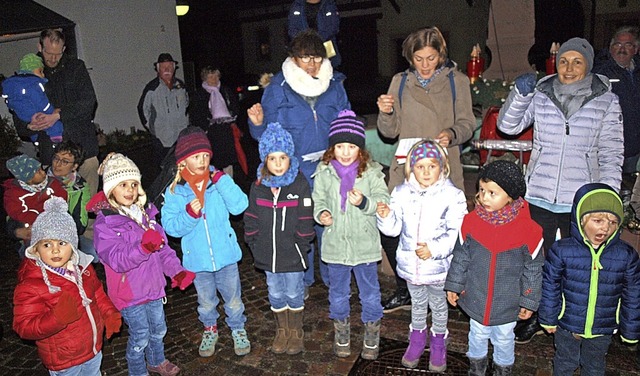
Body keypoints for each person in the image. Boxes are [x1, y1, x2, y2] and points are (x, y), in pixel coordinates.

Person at [498, 37, 623, 343]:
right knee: (532, 261)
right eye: (563, 61)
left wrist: (605, 200)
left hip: (579, 198)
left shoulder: (606, 100)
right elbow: (508, 126)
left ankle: (567, 318)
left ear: (588, 65)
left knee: (574, 265)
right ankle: (532, 314)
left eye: (577, 62)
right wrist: (519, 94)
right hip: (539, 191)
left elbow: (611, 152)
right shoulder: (542, 93)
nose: (568, 68)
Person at [376, 26, 475, 313]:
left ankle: (449, 288)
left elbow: (468, 122)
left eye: (431, 58)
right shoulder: (400, 82)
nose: (425, 65)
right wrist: (386, 112)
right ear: (410, 57)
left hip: (442, 167)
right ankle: (404, 287)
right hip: (407, 168)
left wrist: (452, 133)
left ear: (440, 54)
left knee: (446, 229)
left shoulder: (457, 81)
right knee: (395, 230)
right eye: (419, 59)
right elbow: (389, 131)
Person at [247, 29, 350, 293]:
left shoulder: (335, 84)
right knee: (297, 224)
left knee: (329, 223)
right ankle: (301, 278)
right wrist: (257, 125)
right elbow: (268, 138)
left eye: (317, 58)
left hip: (330, 167)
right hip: (295, 171)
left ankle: (333, 278)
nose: (312, 64)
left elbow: (346, 122)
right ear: (294, 59)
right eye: (306, 58)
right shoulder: (278, 89)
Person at [88, 152, 193, 376]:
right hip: (130, 293)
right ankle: (138, 371)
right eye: (123, 184)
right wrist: (142, 248)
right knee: (140, 335)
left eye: (134, 184)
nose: (130, 190)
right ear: (110, 189)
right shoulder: (106, 223)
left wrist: (177, 272)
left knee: (159, 329)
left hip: (154, 288)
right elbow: (115, 259)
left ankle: (157, 361)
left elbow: (163, 249)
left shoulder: (147, 216)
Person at [445, 160, 544, 376]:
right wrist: (454, 285)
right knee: (477, 334)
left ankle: (502, 370)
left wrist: (529, 299)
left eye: (492, 192)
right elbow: (461, 256)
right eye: (482, 190)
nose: (484, 197)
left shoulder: (529, 230)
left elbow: (533, 270)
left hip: (508, 302)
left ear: (510, 196)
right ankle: (476, 369)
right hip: (476, 296)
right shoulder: (471, 222)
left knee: (504, 338)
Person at [377, 139, 467, 371]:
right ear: (411, 168)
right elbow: (393, 229)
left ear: (442, 166)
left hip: (438, 267)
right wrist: (386, 216)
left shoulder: (452, 195)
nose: (426, 172)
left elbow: (457, 231)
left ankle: (438, 342)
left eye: (432, 166)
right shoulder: (401, 192)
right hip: (411, 264)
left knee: (438, 305)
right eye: (420, 166)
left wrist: (434, 249)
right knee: (417, 304)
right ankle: (416, 340)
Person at [161, 127, 251, 358]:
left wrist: (221, 180)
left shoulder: (218, 182)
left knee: (233, 299)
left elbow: (240, 205)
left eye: (205, 155)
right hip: (198, 261)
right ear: (182, 161)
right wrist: (189, 215)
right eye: (195, 157)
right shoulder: (176, 191)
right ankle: (210, 328)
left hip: (226, 257)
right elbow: (171, 227)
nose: (202, 161)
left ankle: (238, 328)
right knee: (206, 302)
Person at [538, 183, 640, 376]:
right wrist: (549, 317)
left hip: (603, 327)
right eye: (598, 220)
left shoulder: (626, 255)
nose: (605, 228)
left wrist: (630, 329)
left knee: (594, 366)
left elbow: (632, 295)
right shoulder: (562, 250)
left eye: (612, 222)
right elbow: (550, 286)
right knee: (565, 362)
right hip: (567, 324)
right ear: (581, 220)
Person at [13, 197, 121, 375]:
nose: (55, 250)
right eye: (47, 244)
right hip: (65, 361)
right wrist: (56, 319)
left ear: (72, 246)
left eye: (62, 243)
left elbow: (98, 295)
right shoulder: (31, 285)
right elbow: (24, 326)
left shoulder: (84, 270)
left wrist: (110, 314)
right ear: (36, 249)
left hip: (93, 350)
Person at [312, 110, 389, 360]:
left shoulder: (372, 172)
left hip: (364, 245)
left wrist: (365, 202)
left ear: (361, 150)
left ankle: (371, 331)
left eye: (351, 146)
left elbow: (382, 201)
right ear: (332, 148)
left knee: (370, 292)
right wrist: (322, 213)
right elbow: (319, 199)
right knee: (338, 292)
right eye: (340, 146)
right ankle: (342, 330)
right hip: (335, 245)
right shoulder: (323, 172)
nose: (345, 152)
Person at [244, 122, 315, 355]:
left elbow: (306, 219)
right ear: (265, 160)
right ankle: (282, 330)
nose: (277, 164)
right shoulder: (258, 186)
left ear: (289, 158)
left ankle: (296, 330)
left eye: (282, 158)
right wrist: (254, 243)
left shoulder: (300, 184)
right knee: (274, 292)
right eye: (272, 158)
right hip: (267, 254)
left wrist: (301, 245)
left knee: (294, 292)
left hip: (292, 254)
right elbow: (251, 217)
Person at [11, 29, 99, 196]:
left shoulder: (76, 67)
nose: (52, 58)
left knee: (88, 206)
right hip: (51, 155)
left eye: (57, 54)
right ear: (40, 47)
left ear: (64, 49)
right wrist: (29, 125)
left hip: (83, 150)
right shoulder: (30, 72)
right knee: (55, 207)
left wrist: (58, 116)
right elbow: (18, 109)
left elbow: (88, 103)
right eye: (48, 53)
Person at [593, 26, 640, 176]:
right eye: (618, 44)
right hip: (611, 151)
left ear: (636, 49)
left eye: (628, 45)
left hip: (637, 151)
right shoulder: (601, 74)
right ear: (610, 48)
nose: (622, 49)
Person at [3, 154, 67, 258]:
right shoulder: (14, 194)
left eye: (41, 169)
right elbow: (17, 213)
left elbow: (61, 200)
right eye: (38, 172)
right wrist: (38, 223)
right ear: (28, 179)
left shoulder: (52, 184)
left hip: (55, 225)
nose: (43, 172)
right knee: (35, 249)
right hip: (33, 230)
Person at [47, 141, 98, 262]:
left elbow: (81, 222)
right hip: (41, 234)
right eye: (56, 158)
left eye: (65, 161)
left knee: (94, 254)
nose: (58, 164)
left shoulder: (80, 187)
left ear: (74, 166)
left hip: (69, 235)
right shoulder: (41, 180)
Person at [190, 66, 245, 177]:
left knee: (228, 161)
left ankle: (228, 183)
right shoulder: (200, 94)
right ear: (205, 78)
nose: (214, 80)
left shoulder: (225, 91)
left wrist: (232, 117)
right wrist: (205, 127)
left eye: (216, 76)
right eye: (211, 77)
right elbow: (196, 114)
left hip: (226, 131)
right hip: (210, 133)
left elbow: (235, 106)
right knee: (212, 160)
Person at [137, 53, 189, 164]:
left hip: (181, 137)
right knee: (164, 172)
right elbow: (142, 109)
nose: (167, 69)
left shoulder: (181, 86)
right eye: (163, 67)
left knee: (183, 170)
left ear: (174, 68)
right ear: (158, 69)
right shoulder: (152, 88)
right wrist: (153, 128)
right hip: (162, 139)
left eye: (170, 66)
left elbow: (187, 106)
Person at [2, 53, 64, 144]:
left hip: (24, 117)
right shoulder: (34, 84)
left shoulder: (11, 85)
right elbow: (41, 102)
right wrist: (50, 111)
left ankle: (35, 138)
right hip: (41, 114)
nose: (43, 75)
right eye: (40, 72)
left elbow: (10, 104)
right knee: (55, 126)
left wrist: (29, 126)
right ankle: (56, 135)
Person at [288, 0, 341, 67]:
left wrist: (316, 41)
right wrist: (305, 41)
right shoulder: (297, 5)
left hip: (326, 45)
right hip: (303, 46)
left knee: (330, 68)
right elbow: (292, 29)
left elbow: (333, 27)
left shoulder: (329, 4)